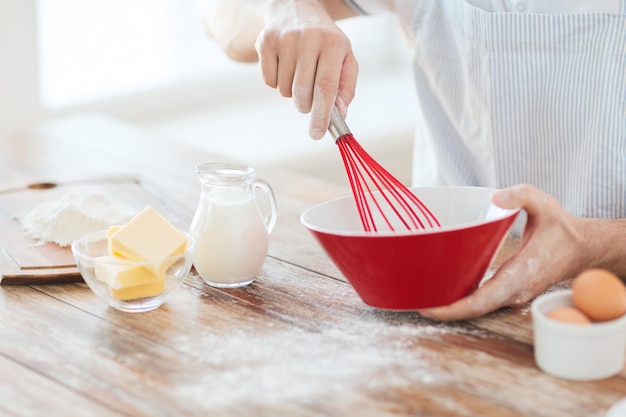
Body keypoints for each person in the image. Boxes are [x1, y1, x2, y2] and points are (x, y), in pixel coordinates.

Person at [201, 0, 626, 320]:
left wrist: (593, 244)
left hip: (604, 314)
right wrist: (285, 8)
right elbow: (220, 16)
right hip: (426, 288)